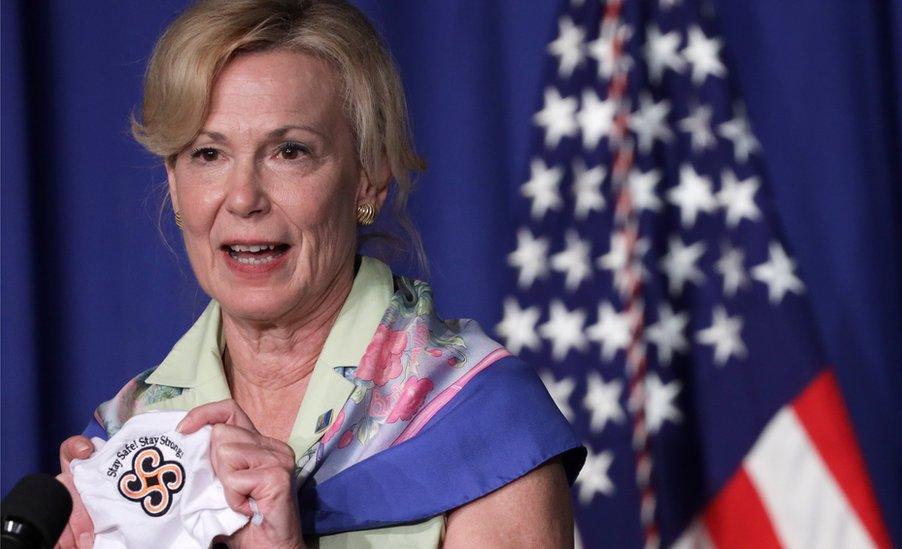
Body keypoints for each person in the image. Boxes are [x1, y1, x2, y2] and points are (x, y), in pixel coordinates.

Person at [53, 1, 584, 547]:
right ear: (174, 183)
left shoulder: (481, 422)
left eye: (289, 151)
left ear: (369, 178)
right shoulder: (127, 440)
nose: (243, 198)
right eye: (208, 153)